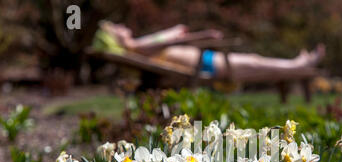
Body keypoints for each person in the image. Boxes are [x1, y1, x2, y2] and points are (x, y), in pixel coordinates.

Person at [100, 21, 325, 81]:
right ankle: (298, 65)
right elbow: (169, 43)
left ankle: (297, 65)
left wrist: (175, 31)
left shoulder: (137, 45)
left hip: (203, 61)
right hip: (204, 64)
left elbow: (170, 39)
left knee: (255, 68)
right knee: (255, 64)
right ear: (116, 38)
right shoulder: (136, 47)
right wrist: (203, 36)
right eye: (116, 28)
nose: (122, 26)